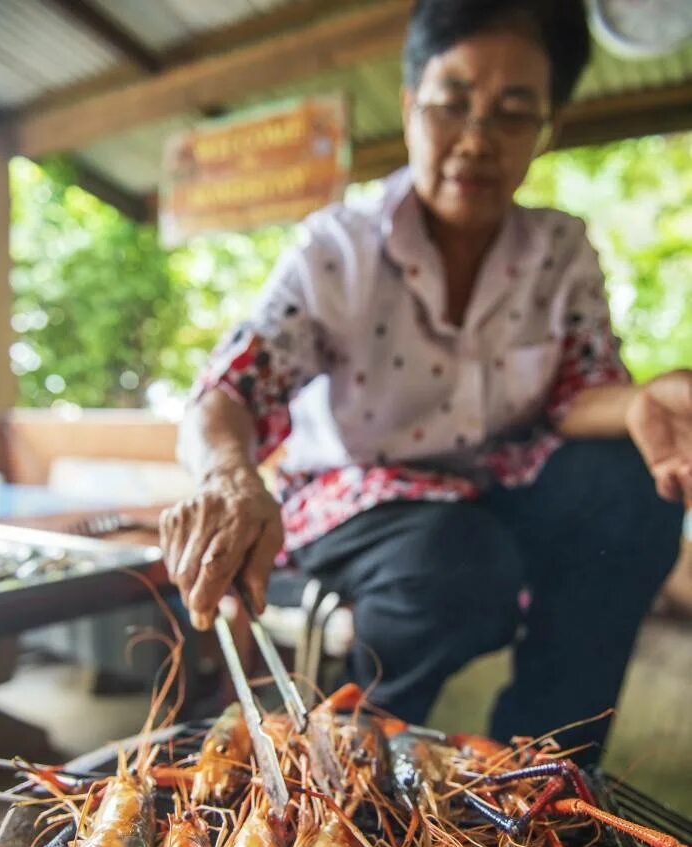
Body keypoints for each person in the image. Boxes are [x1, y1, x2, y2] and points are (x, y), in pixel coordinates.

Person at [160, 0, 691, 762]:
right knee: (455, 564)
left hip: (498, 488)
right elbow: (236, 384)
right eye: (452, 105)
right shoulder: (339, 246)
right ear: (411, 107)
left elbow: (578, 392)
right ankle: (349, 757)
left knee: (631, 486)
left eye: (513, 114)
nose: (476, 140)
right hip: (364, 496)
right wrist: (226, 473)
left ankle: (540, 770)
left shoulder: (560, 251)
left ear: (546, 129)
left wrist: (643, 400)